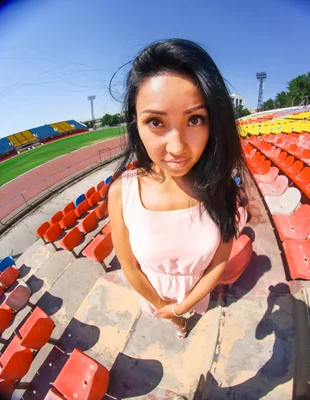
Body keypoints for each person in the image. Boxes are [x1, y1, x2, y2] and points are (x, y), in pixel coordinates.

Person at [108, 38, 248, 339]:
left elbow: (219, 261)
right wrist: (166, 309)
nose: (176, 147)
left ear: (214, 123)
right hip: (154, 301)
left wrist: (184, 305)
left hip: (195, 297)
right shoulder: (122, 193)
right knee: (175, 323)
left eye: (195, 119)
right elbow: (130, 267)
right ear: (136, 125)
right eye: (156, 122)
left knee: (185, 318)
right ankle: (178, 325)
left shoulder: (223, 190)